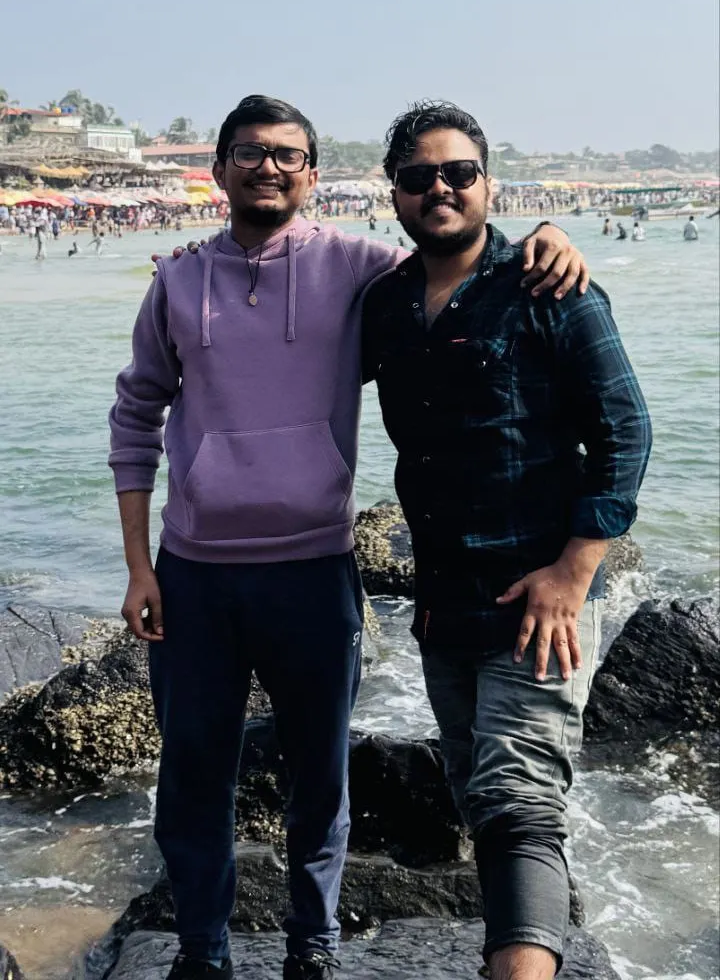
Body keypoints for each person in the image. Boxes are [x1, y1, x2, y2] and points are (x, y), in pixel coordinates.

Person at [113, 94, 589, 980]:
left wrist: (548, 234)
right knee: (192, 777)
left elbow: (460, 249)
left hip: (315, 570)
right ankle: (203, 953)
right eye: (249, 152)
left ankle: (314, 948)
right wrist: (140, 566)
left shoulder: (362, 270)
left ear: (313, 175)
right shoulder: (175, 282)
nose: (268, 166)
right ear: (218, 171)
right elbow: (134, 416)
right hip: (195, 575)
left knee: (319, 779)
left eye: (287, 154)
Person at [362, 101, 652, 980]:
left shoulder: (549, 287)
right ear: (395, 194)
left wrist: (573, 573)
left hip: (537, 600)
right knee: (479, 800)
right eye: (419, 176)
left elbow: (626, 430)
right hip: (442, 602)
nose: (440, 189)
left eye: (458, 173)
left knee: (518, 803)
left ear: (489, 185)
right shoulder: (385, 305)